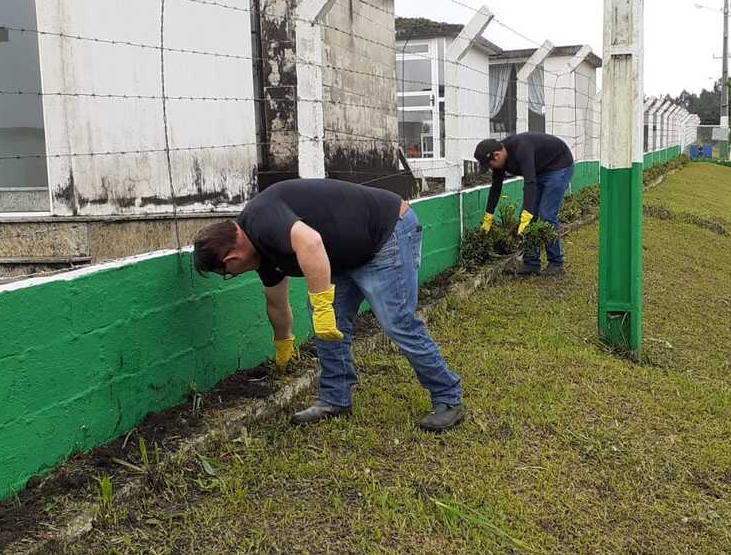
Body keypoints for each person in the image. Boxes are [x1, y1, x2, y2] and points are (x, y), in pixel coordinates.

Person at [192, 179, 465, 432]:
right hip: (347, 254)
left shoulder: (262, 219)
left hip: (385, 233)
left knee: (396, 321)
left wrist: (322, 305)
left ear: (231, 257)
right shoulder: (261, 253)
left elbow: (311, 243)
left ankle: (448, 398)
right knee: (327, 322)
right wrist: (283, 343)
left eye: (227, 273)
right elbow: (276, 303)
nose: (232, 276)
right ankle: (335, 398)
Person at [473, 132, 575, 276]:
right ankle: (531, 263)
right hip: (539, 170)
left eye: (489, 165)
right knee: (527, 216)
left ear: (496, 155)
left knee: (547, 215)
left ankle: (556, 263)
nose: (491, 168)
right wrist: (488, 216)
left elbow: (530, 182)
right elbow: (496, 187)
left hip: (559, 166)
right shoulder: (500, 160)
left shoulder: (521, 147)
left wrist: (527, 215)